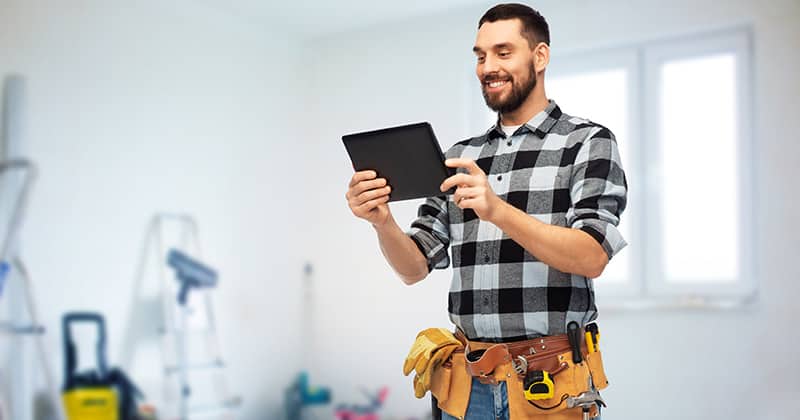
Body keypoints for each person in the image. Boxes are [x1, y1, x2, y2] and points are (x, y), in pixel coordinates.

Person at [345, 3, 627, 419]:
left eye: (503, 52)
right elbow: (413, 268)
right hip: (468, 384)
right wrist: (382, 221)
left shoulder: (586, 142)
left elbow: (592, 256)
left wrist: (497, 210)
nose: (487, 67)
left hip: (550, 385)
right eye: (480, 56)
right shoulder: (460, 157)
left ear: (540, 56)